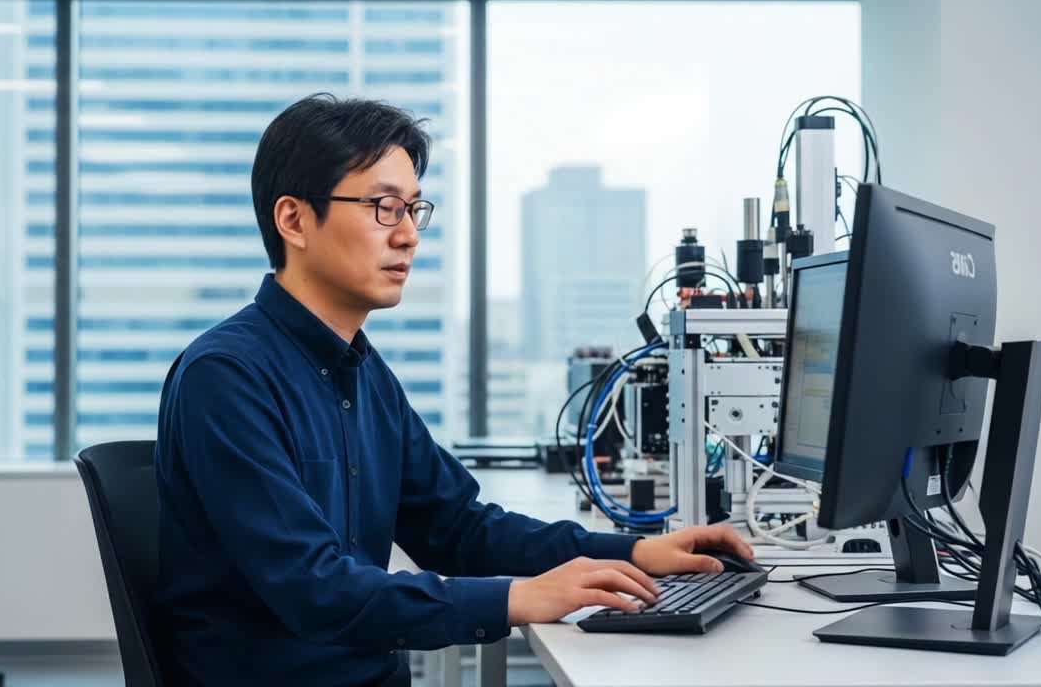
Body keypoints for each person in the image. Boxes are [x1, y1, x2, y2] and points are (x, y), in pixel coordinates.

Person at [154, 94, 754, 686]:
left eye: (416, 210)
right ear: (294, 220)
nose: (409, 236)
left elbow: (458, 529)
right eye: (385, 208)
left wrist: (633, 553)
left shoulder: (363, 374)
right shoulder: (227, 376)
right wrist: (516, 597)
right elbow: (315, 589)